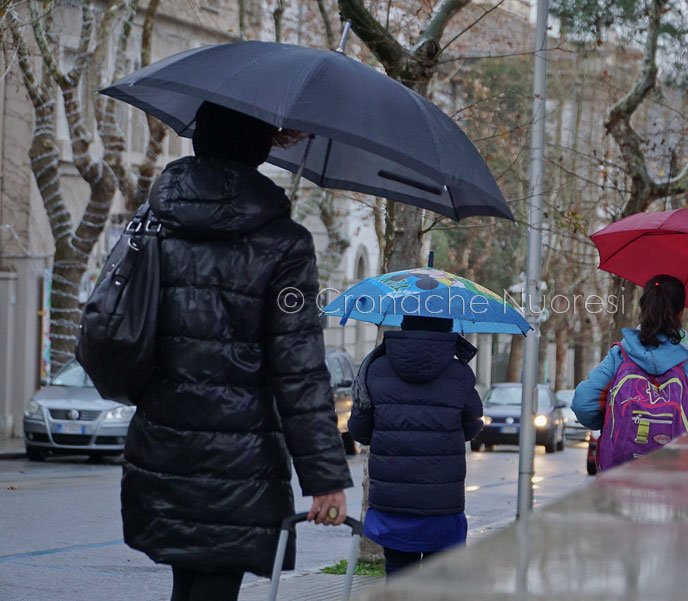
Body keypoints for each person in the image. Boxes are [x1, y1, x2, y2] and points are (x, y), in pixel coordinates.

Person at [121, 101, 353, 601]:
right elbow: (300, 368)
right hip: (240, 456)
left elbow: (117, 320)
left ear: (200, 137)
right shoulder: (285, 242)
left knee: (188, 582)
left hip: (163, 442)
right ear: (260, 147)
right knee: (213, 585)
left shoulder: (153, 221)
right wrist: (326, 479)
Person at [348, 315, 483, 577]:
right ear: (447, 326)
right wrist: (445, 436)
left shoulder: (376, 368)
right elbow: (473, 423)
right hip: (442, 504)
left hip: (392, 504)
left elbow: (359, 430)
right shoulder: (460, 373)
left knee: (399, 578)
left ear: (405, 324)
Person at [572, 274, 688, 460]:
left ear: (642, 308)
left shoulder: (620, 356)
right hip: (673, 478)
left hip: (619, 476)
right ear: (681, 312)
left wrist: (616, 421)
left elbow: (582, 404)